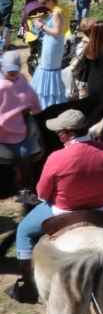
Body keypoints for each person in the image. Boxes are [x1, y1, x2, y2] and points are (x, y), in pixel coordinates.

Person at [8, 108, 103, 305]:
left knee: (23, 232)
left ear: (71, 133)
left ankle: (29, 288)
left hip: (62, 211)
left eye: (59, 132)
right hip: (100, 210)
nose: (57, 134)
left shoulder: (56, 157)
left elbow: (43, 194)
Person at [0, 51, 43, 202]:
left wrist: (37, 111)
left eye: (15, 70)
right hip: (3, 128)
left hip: (19, 125)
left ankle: (24, 188)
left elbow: (31, 96)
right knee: (23, 151)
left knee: (26, 152)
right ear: (2, 68)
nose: (12, 73)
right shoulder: (1, 86)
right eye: (9, 70)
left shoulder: (22, 79)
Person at [29, 0, 69, 109]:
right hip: (52, 43)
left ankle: (47, 101)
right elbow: (55, 28)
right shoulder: (58, 10)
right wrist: (44, 22)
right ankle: (52, 98)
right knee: (48, 69)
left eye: (45, 3)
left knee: (47, 69)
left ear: (50, 1)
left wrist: (41, 26)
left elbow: (57, 32)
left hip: (52, 45)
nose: (44, 5)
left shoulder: (56, 13)